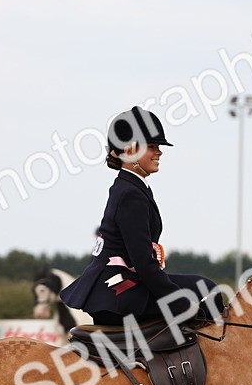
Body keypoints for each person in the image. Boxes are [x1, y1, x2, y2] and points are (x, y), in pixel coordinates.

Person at [60, 106, 218, 327]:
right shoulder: (130, 194)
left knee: (205, 287)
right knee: (206, 293)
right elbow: (144, 264)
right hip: (119, 294)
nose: (159, 152)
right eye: (152, 146)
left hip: (124, 286)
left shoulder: (132, 186)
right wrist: (178, 302)